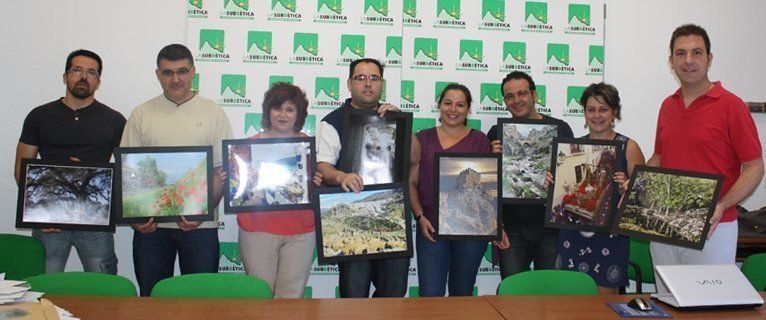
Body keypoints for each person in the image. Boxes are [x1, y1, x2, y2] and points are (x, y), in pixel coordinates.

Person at [120, 44, 233, 296]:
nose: (175, 79)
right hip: (151, 228)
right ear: (158, 74)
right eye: (167, 72)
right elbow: (128, 174)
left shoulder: (213, 112)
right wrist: (135, 219)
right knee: (151, 297)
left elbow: (220, 172)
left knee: (200, 300)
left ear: (193, 72)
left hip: (200, 228)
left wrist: (202, 214)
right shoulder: (141, 114)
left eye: (182, 71)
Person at [647, 24, 763, 265]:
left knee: (709, 303)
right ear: (671, 60)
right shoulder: (667, 106)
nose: (688, 60)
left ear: (709, 59)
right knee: (666, 300)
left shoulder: (732, 106)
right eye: (681, 53)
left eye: (696, 52)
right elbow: (659, 158)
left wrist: (722, 205)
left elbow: (754, 167)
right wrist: (638, 187)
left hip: (714, 227)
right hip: (664, 224)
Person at [14, 49, 126, 274]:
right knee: (43, 288)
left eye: (91, 72)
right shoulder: (39, 116)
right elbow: (21, 167)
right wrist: (38, 213)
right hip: (49, 222)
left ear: (98, 81)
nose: (84, 77)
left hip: (95, 221)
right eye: (77, 70)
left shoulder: (114, 120)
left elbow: (126, 172)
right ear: (65, 76)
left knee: (103, 289)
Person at [316, 58, 407, 298]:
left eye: (374, 78)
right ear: (349, 83)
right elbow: (323, 166)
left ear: (382, 83)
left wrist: (402, 123)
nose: (368, 84)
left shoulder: (393, 116)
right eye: (361, 78)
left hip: (393, 218)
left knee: (394, 297)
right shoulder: (332, 121)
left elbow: (415, 156)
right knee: (353, 298)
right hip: (352, 217)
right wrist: (340, 176)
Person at [553, 82, 646, 294]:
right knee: (570, 298)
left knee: (605, 304)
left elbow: (644, 198)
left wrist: (625, 191)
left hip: (610, 238)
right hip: (573, 234)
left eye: (603, 109)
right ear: (584, 113)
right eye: (591, 109)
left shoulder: (628, 147)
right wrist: (553, 181)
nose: (597, 115)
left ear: (614, 111)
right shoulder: (572, 147)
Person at [236, 83, 322, 298]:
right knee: (260, 296)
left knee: (292, 299)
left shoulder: (307, 147)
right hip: (258, 231)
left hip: (301, 233)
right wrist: (234, 181)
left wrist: (317, 181)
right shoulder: (247, 146)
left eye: (290, 109)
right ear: (268, 111)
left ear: (298, 114)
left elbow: (312, 184)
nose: (283, 114)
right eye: (277, 108)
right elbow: (240, 190)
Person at [486, 71, 574, 280]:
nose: (516, 100)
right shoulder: (495, 134)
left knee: (550, 297)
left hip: (551, 227)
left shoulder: (560, 128)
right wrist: (490, 158)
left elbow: (571, 180)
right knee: (513, 297)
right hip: (511, 229)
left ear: (534, 96)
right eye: (509, 96)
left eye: (522, 93)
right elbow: (486, 185)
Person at [409, 83, 492, 296]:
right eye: (448, 103)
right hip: (431, 228)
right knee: (430, 293)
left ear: (468, 109)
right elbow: (411, 183)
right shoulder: (422, 138)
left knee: (462, 293)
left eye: (460, 105)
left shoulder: (480, 140)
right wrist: (420, 217)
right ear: (439, 105)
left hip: (470, 232)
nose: (453, 109)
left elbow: (487, 189)